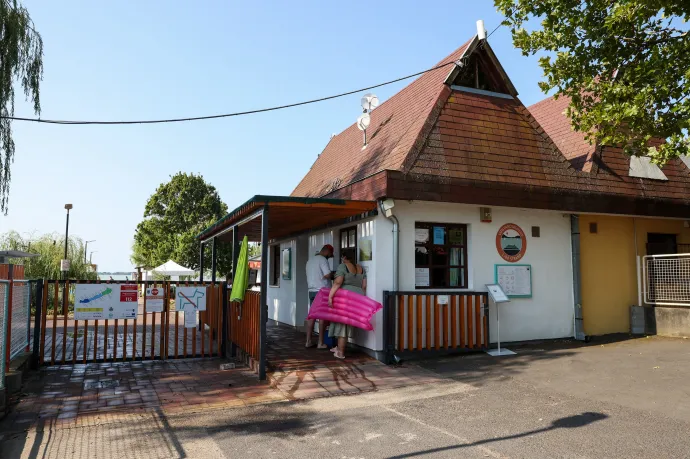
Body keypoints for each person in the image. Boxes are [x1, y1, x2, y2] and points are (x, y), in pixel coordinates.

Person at [328, 250, 366, 360]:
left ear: (344, 257)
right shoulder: (361, 268)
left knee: (342, 324)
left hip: (345, 298)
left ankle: (340, 352)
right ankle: (338, 347)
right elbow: (364, 286)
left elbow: (338, 282)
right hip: (357, 297)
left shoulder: (343, 266)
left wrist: (330, 296)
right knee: (345, 323)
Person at [305, 244, 334, 348]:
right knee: (322, 317)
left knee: (312, 316)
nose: (330, 257)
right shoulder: (322, 259)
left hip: (311, 290)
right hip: (321, 291)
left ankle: (308, 341)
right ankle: (320, 343)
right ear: (326, 251)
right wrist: (333, 274)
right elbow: (327, 274)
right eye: (330, 254)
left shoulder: (310, 260)